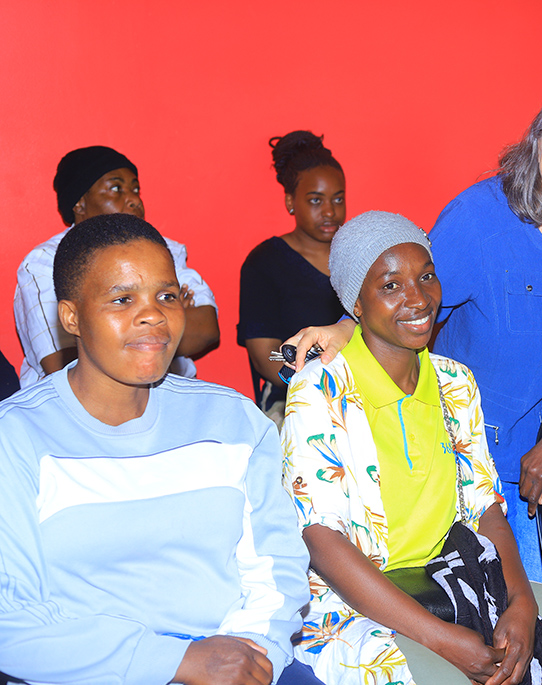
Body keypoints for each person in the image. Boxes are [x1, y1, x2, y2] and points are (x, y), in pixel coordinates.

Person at [282, 74, 542, 580]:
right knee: (531, 608)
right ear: (538, 139)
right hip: (481, 469)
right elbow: (406, 298)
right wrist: (344, 327)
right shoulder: (478, 220)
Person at [281, 211, 542, 685]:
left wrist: (522, 603)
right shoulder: (321, 388)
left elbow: (485, 507)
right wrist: (440, 639)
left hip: (461, 580)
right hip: (359, 609)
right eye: (390, 286)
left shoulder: (454, 382)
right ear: (356, 305)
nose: (417, 299)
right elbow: (322, 540)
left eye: (426, 277)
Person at [0, 214, 317, 684]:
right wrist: (177, 664)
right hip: (93, 672)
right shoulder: (17, 436)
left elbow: (278, 572)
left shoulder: (233, 422)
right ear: (71, 317)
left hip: (237, 659)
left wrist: (250, 656)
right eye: (123, 298)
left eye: (167, 296)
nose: (153, 315)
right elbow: (11, 621)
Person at [14, 145, 219, 388]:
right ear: (79, 204)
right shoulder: (45, 261)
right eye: (116, 189)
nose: (133, 199)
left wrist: (120, 337)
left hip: (172, 400)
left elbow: (206, 329)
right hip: (71, 415)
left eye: (166, 297)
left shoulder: (166, 249)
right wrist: (172, 318)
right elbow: (63, 364)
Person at [238, 131, 347, 424]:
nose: (329, 211)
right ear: (290, 201)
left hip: (363, 390)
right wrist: (316, 381)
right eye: (315, 200)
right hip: (292, 398)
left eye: (338, 199)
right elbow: (265, 357)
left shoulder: (360, 256)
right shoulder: (264, 263)